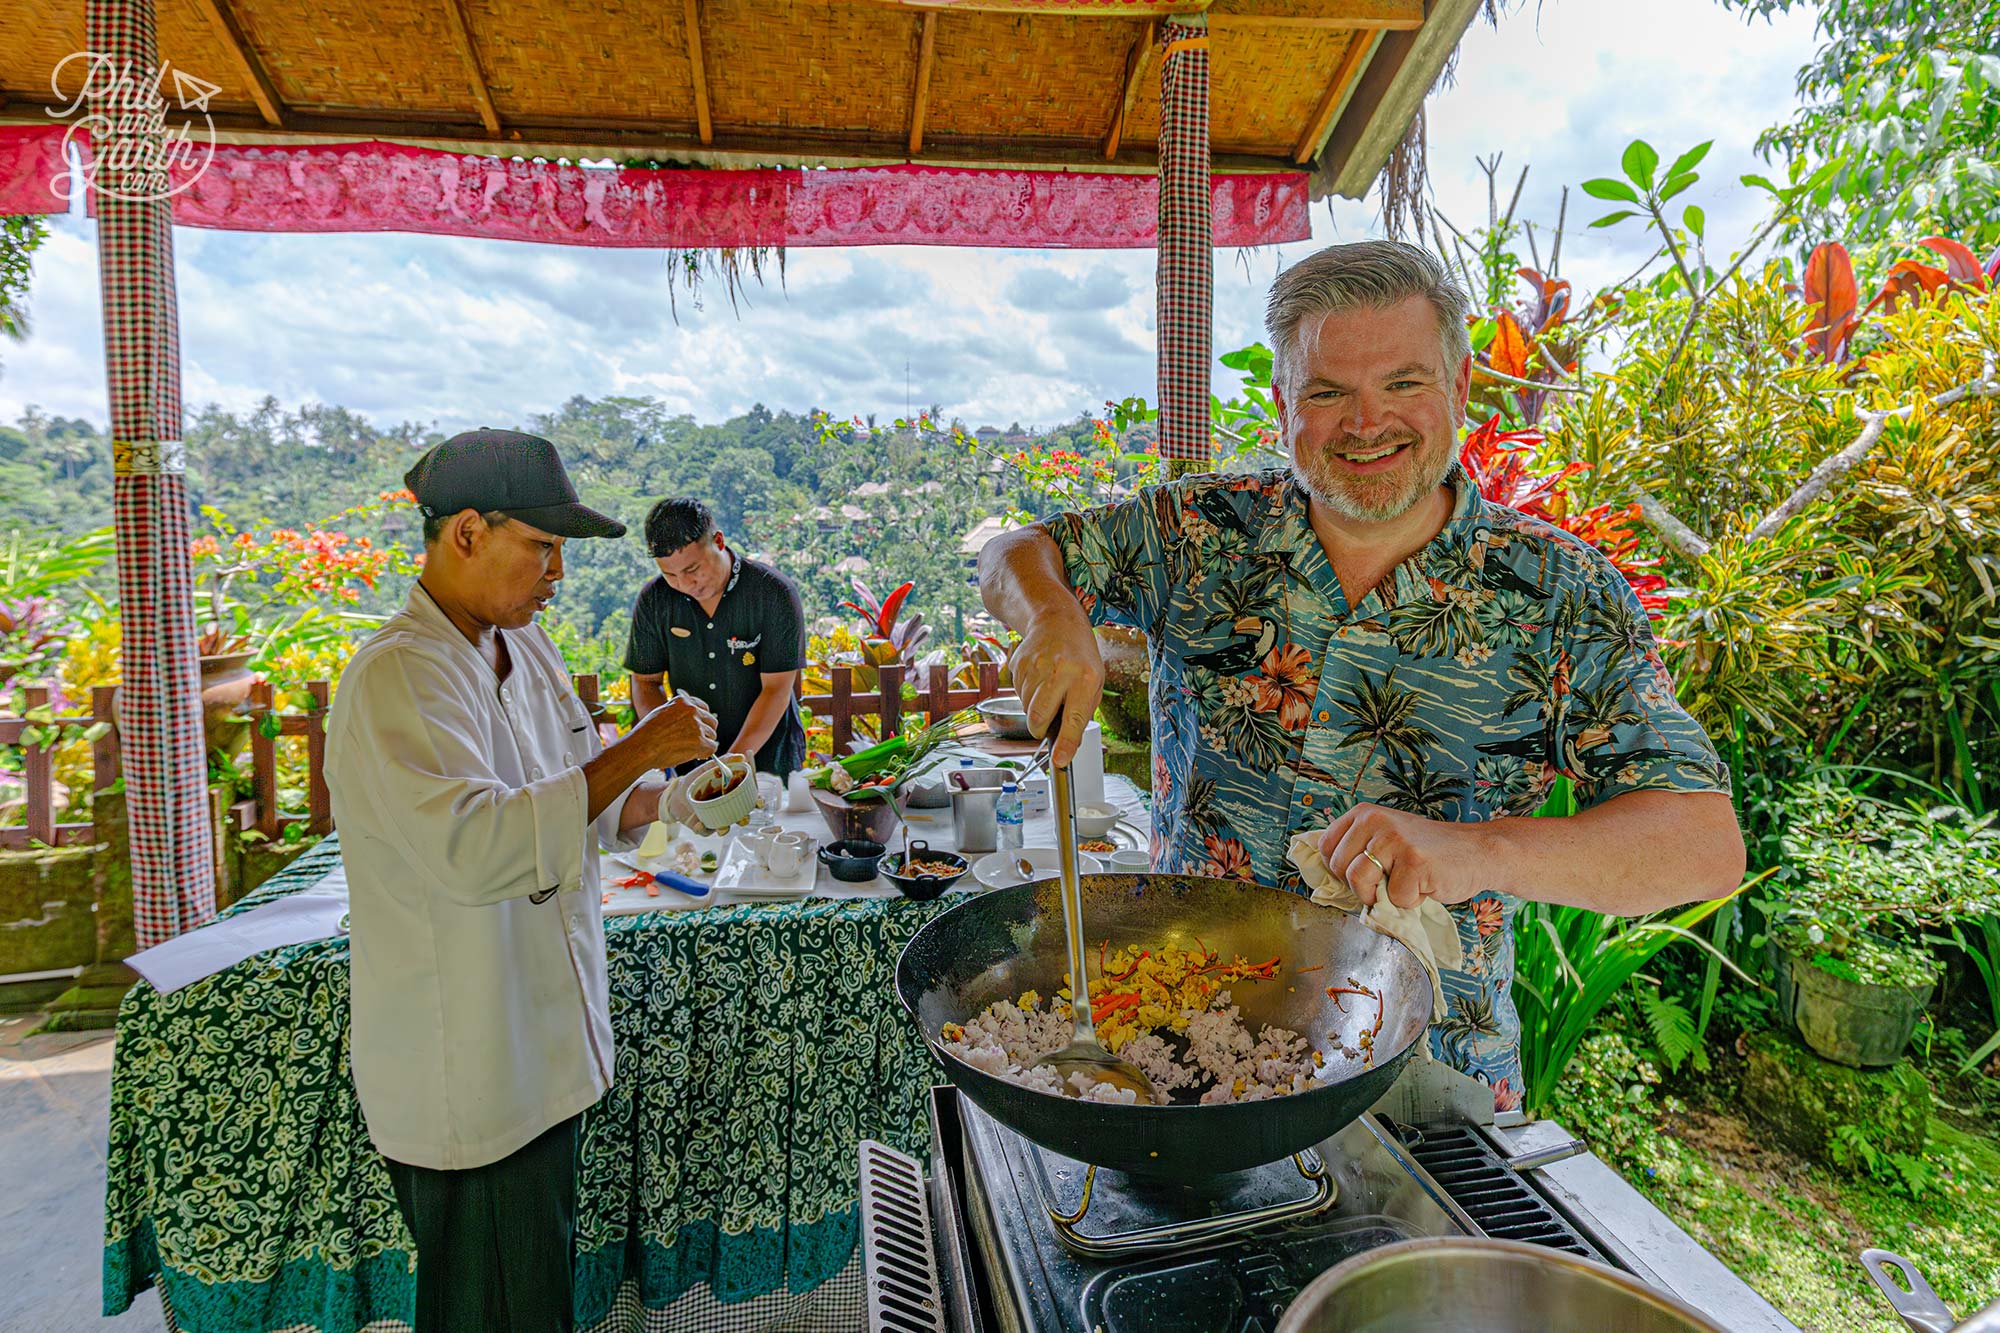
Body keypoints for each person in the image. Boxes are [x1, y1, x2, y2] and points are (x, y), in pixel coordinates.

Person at [978, 241, 1746, 1110]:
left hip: (1426, 1075)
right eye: (1328, 391)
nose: (1367, 421)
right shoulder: (1197, 532)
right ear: (1282, 407)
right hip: (1179, 1055)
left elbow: (1703, 843)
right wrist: (1050, 613)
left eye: (1405, 384)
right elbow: (1017, 550)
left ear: (1458, 389)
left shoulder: (1560, 594)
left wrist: (1474, 850)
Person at [326, 428, 718, 1332]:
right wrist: (640, 748)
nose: (557, 574)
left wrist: (685, 797)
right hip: (469, 1067)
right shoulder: (401, 676)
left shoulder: (524, 650)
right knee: (490, 1309)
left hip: (541, 1049)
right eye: (541, 549)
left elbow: (593, 795)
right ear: (466, 532)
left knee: (530, 1297)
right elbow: (477, 847)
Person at [623, 497, 808, 778]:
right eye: (670, 574)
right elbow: (646, 682)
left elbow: (777, 690)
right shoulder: (655, 599)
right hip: (688, 761)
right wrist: (668, 741)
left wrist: (730, 765)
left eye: (693, 570)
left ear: (718, 541)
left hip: (769, 758)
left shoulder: (773, 593)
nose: (685, 585)